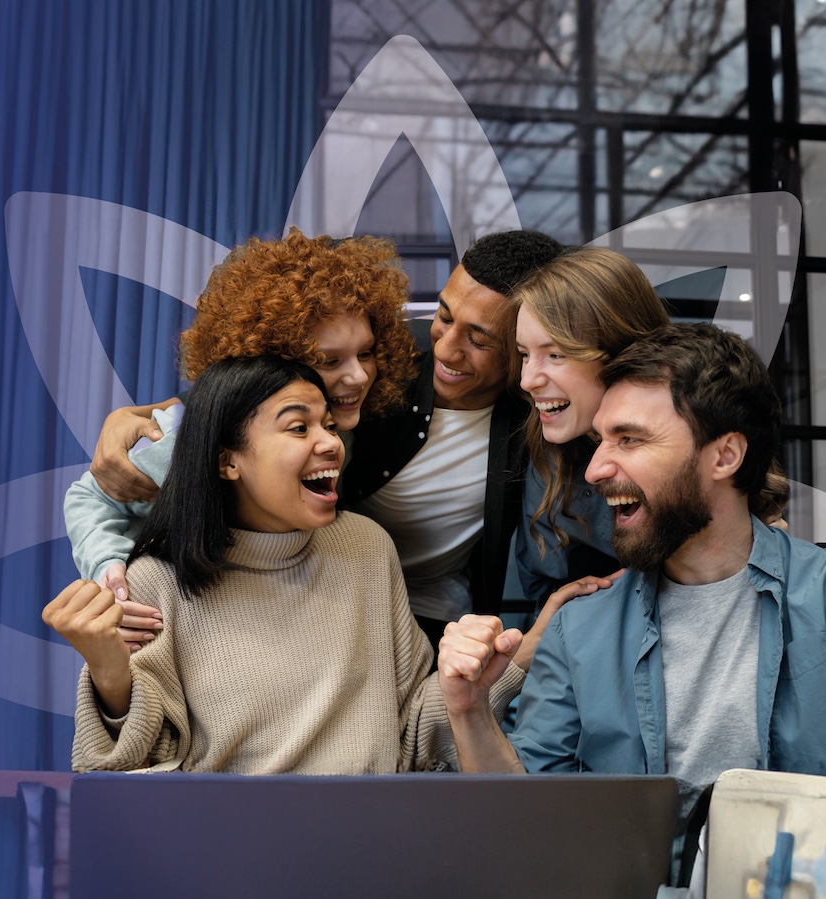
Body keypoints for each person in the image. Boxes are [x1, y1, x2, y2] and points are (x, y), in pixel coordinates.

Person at [45, 356, 541, 774]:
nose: (330, 442)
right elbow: (133, 775)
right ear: (227, 461)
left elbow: (411, 732)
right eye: (299, 427)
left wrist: (496, 668)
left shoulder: (366, 548)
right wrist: (109, 674)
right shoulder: (156, 581)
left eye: (328, 424)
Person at [79, 228, 566, 642]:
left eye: (480, 339)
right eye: (441, 317)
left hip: (410, 618)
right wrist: (112, 572)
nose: (357, 376)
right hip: (246, 609)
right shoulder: (242, 428)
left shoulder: (536, 415)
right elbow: (98, 494)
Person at [440, 324, 826, 828]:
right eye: (602, 440)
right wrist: (470, 710)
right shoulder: (576, 630)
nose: (597, 468)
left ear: (725, 456)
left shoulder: (818, 598)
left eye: (630, 439)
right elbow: (526, 822)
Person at [65, 229, 417, 648]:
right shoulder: (192, 436)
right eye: (329, 360)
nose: (358, 376)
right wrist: (113, 575)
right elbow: (88, 498)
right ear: (271, 358)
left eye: (366, 353)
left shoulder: (349, 417)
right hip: (175, 630)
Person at [509, 247, 670, 603]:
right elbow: (543, 591)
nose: (527, 380)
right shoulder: (550, 452)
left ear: (621, 352)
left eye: (555, 354)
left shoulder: (697, 448)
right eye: (524, 354)